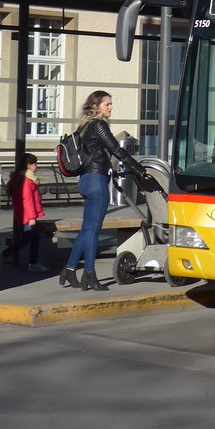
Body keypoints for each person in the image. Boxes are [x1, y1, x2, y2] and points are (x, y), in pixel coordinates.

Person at [61, 90, 148, 292]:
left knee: (86, 229)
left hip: (86, 180)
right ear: (95, 106)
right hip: (96, 183)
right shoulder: (99, 125)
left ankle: (70, 269)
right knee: (93, 230)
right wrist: (140, 170)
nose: (110, 107)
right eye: (106, 104)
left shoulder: (83, 126)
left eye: (110, 103)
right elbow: (117, 150)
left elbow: (96, 154)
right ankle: (89, 274)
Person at [1, 153, 49, 271]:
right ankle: (4, 254)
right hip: (27, 216)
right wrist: (32, 218)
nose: (36, 166)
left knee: (33, 238)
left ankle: (33, 262)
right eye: (35, 164)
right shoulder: (27, 181)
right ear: (29, 165)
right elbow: (28, 200)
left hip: (25, 216)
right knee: (27, 239)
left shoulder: (22, 179)